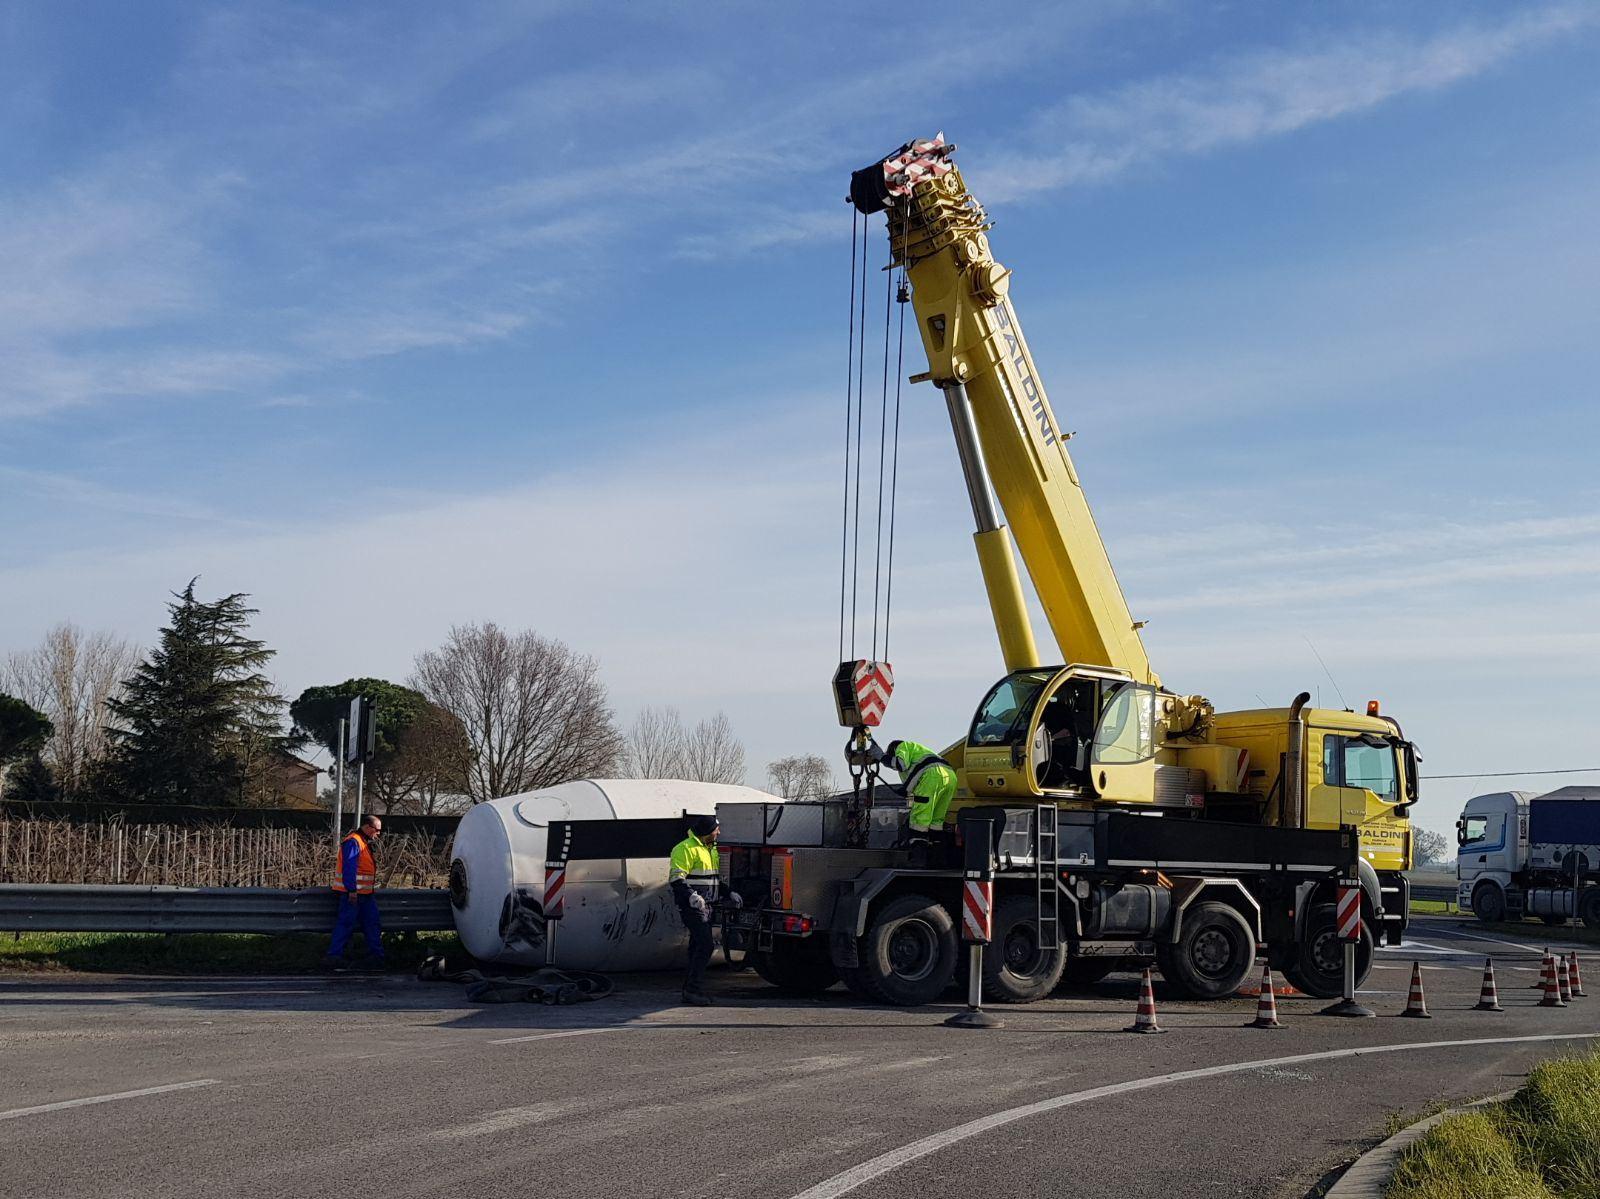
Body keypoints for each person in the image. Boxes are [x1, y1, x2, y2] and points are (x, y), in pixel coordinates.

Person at [667, 814, 726, 1006]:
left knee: (696, 947)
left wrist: (728, 892)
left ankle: (690, 990)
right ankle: (693, 989)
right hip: (693, 906)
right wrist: (691, 895)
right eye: (716, 829)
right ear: (708, 831)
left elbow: (712, 878)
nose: (719, 832)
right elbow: (677, 878)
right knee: (705, 945)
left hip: (707, 905)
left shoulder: (710, 849)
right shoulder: (685, 849)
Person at [324, 814, 384, 971]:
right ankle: (334, 956)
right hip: (353, 894)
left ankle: (376, 956)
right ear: (366, 827)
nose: (378, 834)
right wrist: (352, 890)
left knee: (372, 923)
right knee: (346, 923)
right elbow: (349, 868)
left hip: (365, 894)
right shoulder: (353, 842)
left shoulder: (362, 842)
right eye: (376, 830)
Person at [881, 739, 958, 837]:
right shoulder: (918, 752)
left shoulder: (902, 746)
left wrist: (881, 757)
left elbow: (900, 764)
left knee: (919, 819)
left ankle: (918, 844)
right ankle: (936, 845)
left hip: (931, 776)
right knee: (936, 820)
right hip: (950, 776)